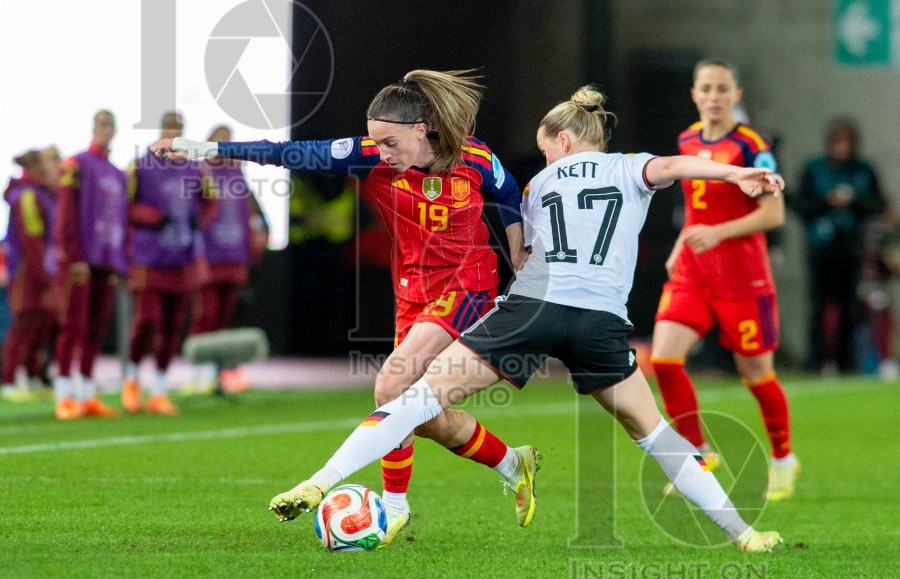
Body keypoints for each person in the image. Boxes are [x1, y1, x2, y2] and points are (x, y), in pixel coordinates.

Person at [234, 86, 784, 552]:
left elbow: (524, 243)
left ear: (562, 143)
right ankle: (744, 533)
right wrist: (736, 176)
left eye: (547, 152)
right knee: (654, 432)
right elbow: (676, 166)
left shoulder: (539, 185)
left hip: (531, 310)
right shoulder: (630, 166)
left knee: (412, 400)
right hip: (599, 324)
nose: (547, 163)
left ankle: (320, 480)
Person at [152, 69, 531, 544]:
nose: (382, 153)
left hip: (468, 284)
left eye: (390, 143)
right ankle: (514, 462)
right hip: (412, 291)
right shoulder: (368, 156)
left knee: (391, 382)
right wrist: (206, 148)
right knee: (416, 412)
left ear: (421, 129)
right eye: (376, 143)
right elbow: (288, 154)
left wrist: (517, 245)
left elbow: (510, 193)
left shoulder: (473, 156)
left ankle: (389, 509)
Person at [649, 59, 800, 502]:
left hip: (743, 278)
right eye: (706, 88)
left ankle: (784, 458)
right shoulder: (687, 140)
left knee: (756, 374)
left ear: (737, 95)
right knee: (664, 359)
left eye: (722, 89)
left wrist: (716, 233)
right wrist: (683, 242)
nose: (714, 96)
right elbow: (696, 207)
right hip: (695, 273)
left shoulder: (753, 146)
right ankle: (696, 454)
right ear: (694, 95)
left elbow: (774, 212)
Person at [122, 111, 218, 415]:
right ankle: (132, 379)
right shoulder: (141, 165)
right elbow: (125, 207)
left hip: (183, 256)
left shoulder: (196, 167)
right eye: (170, 128)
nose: (174, 133)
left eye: (179, 129)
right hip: (149, 256)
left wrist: (196, 222)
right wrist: (152, 218)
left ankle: (160, 388)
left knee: (173, 324)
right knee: (147, 320)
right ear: (161, 130)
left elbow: (211, 202)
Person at [794, 118, 887, 374]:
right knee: (818, 306)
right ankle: (815, 362)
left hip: (851, 248)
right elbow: (801, 205)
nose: (842, 147)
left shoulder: (863, 170)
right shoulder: (815, 168)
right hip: (820, 249)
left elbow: (878, 203)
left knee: (849, 307)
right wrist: (827, 202)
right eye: (838, 141)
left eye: (847, 141)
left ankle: (846, 363)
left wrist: (853, 202)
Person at [52, 110, 128, 419]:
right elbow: (66, 212)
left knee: (96, 328)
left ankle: (86, 394)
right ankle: (63, 395)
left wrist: (121, 261)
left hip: (106, 261)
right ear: (94, 128)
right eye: (103, 125)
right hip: (81, 259)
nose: (107, 130)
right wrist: (73, 255)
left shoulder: (117, 173)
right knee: (74, 325)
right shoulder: (76, 164)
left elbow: (122, 221)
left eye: (112, 125)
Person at [185, 125, 268, 394]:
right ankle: (196, 373)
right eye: (220, 140)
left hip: (234, 257)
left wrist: (249, 251)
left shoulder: (238, 174)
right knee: (205, 315)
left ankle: (217, 374)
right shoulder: (201, 172)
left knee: (223, 317)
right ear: (209, 142)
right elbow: (195, 214)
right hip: (209, 255)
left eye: (228, 141)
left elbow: (247, 216)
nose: (225, 145)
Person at [1, 149, 57, 407]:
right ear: (35, 167)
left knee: (40, 325)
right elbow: (32, 241)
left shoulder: (44, 195)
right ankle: (10, 381)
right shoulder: (27, 197)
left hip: (41, 271)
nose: (53, 168)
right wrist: (44, 277)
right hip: (26, 272)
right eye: (48, 163)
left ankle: (33, 378)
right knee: (23, 325)